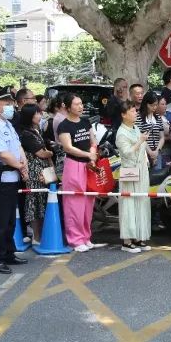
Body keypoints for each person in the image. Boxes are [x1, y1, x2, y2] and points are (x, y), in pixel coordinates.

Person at [0, 88, 30, 273]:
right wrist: (20, 167)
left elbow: (18, 147)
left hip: (10, 177)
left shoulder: (7, 124)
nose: (11, 107)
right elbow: (3, 154)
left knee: (9, 220)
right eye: (7, 104)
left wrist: (23, 164)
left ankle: (9, 252)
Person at [57, 93, 100, 253]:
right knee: (74, 205)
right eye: (76, 104)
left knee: (88, 204)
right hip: (74, 165)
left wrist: (92, 154)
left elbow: (93, 141)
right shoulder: (64, 125)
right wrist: (88, 155)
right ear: (67, 107)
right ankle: (75, 239)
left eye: (81, 103)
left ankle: (86, 237)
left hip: (89, 165)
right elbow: (68, 148)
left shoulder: (85, 121)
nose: (80, 107)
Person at [115, 101, 151, 252]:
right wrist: (140, 141)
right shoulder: (121, 132)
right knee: (128, 203)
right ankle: (127, 241)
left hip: (141, 168)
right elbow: (127, 152)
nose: (136, 113)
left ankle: (138, 236)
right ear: (123, 115)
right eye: (132, 111)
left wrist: (146, 156)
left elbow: (141, 147)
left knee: (141, 201)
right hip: (129, 169)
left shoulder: (136, 127)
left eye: (136, 111)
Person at [17, 103, 53, 245]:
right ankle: (36, 236)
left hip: (42, 170)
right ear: (29, 116)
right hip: (34, 172)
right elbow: (41, 153)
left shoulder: (35, 130)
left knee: (41, 203)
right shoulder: (26, 134)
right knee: (35, 203)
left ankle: (41, 235)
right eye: (37, 113)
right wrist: (50, 152)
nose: (40, 115)